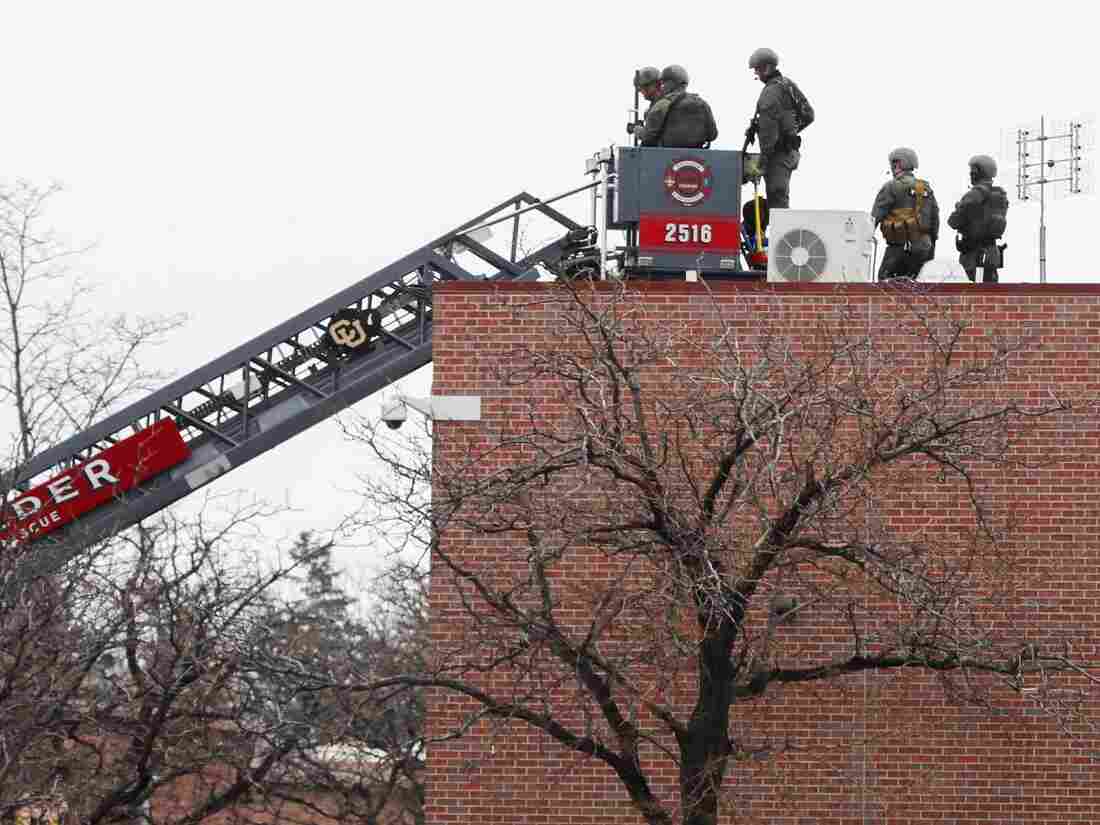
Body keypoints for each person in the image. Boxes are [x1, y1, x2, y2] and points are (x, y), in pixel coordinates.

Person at [746, 48, 813, 209]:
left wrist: (762, 162)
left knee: (777, 203)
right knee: (781, 199)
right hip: (789, 153)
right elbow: (809, 115)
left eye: (758, 68)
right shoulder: (787, 84)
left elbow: (768, 136)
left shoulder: (770, 92)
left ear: (767, 67)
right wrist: (790, 133)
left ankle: (780, 234)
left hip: (778, 155)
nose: (757, 73)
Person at [871, 147, 940, 280]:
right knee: (917, 288)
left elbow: (874, 218)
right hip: (924, 248)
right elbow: (935, 220)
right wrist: (931, 248)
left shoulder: (891, 187)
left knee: (884, 285)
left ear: (898, 164)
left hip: (899, 248)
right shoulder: (926, 188)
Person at [947, 154, 1009, 283]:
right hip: (992, 254)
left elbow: (953, 221)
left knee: (971, 296)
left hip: (973, 256)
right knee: (989, 295)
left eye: (972, 171)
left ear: (977, 172)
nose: (970, 174)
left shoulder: (975, 194)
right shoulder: (1000, 195)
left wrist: (959, 207)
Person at [636, 64, 718, 149]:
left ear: (669, 83)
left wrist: (637, 130)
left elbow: (648, 137)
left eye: (663, 83)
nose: (662, 86)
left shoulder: (661, 105)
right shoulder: (703, 104)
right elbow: (712, 135)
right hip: (695, 158)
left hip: (664, 157)